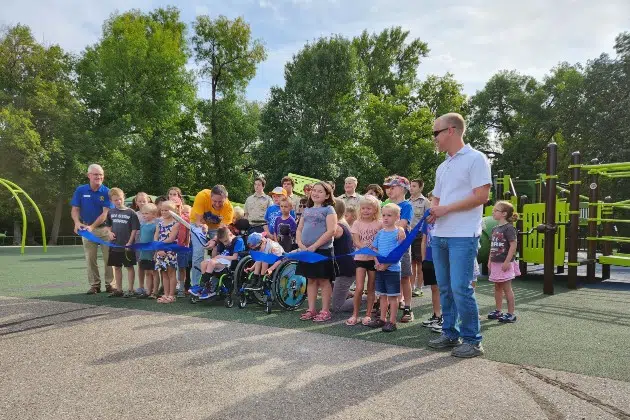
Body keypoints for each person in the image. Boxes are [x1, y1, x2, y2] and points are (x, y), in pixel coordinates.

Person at [427, 112, 491, 358]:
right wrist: (435, 210)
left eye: (436, 133)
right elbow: (438, 197)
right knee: (445, 287)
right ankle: (450, 334)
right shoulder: (443, 166)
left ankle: (473, 341)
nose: (435, 138)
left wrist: (444, 209)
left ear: (450, 131)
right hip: (441, 233)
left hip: (464, 235)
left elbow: (481, 196)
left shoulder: (476, 159)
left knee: (461, 288)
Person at [296, 182, 337, 322]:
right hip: (306, 251)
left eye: (320, 191)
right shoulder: (306, 210)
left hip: (322, 250)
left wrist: (315, 246)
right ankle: (311, 309)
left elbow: (331, 230)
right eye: (314, 190)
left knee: (324, 281)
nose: (315, 193)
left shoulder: (329, 209)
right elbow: (299, 229)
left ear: (327, 195)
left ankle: (325, 310)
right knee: (311, 280)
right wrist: (300, 244)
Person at [70, 164, 114, 295]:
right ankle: (95, 285)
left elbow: (105, 213)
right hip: (86, 228)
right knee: (90, 258)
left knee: (109, 258)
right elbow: (75, 209)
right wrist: (77, 222)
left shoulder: (107, 191)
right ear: (88, 175)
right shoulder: (80, 190)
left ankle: (110, 284)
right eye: (95, 174)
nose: (99, 177)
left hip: (105, 229)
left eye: (101, 175)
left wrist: (92, 227)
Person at [367, 203, 406, 332]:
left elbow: (399, 252)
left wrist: (386, 265)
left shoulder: (399, 233)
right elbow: (374, 249)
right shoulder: (380, 234)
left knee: (393, 297)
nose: (385, 218)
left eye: (389, 215)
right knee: (382, 296)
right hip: (380, 268)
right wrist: (377, 263)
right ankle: (382, 319)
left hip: (392, 270)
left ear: (397, 217)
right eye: (383, 215)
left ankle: (392, 322)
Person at [384, 175, 415, 323]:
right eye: (388, 187)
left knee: (404, 277)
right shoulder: (386, 204)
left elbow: (402, 224)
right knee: (389, 276)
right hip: (386, 247)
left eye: (392, 187)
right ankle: (390, 305)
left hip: (401, 248)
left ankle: (408, 307)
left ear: (403, 189)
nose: (389, 190)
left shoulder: (406, 206)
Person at [347, 195, 382, 326]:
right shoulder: (356, 223)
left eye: (369, 208)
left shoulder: (379, 223)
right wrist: (366, 249)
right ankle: (355, 314)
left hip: (374, 260)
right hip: (360, 258)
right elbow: (356, 241)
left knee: (371, 287)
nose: (366, 211)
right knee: (359, 287)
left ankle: (368, 315)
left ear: (375, 209)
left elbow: (389, 230)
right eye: (363, 208)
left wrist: (401, 230)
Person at [190, 185, 234, 287]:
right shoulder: (202, 196)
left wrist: (214, 241)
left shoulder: (229, 209)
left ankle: (214, 285)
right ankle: (196, 285)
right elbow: (198, 221)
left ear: (225, 199)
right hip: (198, 223)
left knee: (218, 251)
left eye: (220, 202)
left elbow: (222, 230)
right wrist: (203, 227)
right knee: (198, 252)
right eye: (215, 201)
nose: (217, 204)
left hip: (216, 227)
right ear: (210, 197)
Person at [487, 200, 520, 323]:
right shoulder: (495, 228)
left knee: (507, 288)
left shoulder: (509, 228)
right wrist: (489, 260)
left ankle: (511, 314)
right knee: (497, 287)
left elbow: (513, 245)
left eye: (496, 210)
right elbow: (492, 246)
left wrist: (507, 261)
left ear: (504, 214)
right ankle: (498, 310)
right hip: (496, 263)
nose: (493, 212)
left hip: (505, 263)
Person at [104, 188, 139, 298]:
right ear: (111, 200)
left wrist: (130, 242)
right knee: (117, 267)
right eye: (115, 200)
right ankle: (119, 290)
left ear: (123, 197)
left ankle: (130, 289)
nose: (118, 202)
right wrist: (109, 233)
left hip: (127, 246)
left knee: (129, 267)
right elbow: (108, 226)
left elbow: (134, 229)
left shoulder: (131, 212)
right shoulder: (111, 212)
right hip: (115, 245)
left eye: (120, 199)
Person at [194, 226, 245, 299]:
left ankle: (203, 284)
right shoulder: (222, 243)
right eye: (223, 242)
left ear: (230, 234)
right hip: (220, 261)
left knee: (211, 262)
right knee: (203, 263)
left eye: (226, 241)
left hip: (231, 263)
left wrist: (220, 257)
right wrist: (215, 248)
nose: (225, 244)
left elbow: (235, 257)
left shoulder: (238, 241)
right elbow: (214, 257)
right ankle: (207, 285)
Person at [331, 199, 356, 313]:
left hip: (345, 269)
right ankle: (348, 293)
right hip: (342, 268)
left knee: (338, 307)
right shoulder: (342, 223)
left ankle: (374, 298)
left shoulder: (337, 227)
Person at [420, 202, 443, 332]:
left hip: (442, 259)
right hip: (429, 259)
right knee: (434, 288)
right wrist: (424, 259)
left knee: (444, 288)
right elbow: (424, 240)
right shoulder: (428, 218)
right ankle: (437, 315)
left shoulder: (446, 218)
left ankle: (446, 317)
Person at [154, 200, 180, 303]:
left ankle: (171, 295)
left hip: (170, 251)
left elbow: (171, 238)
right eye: (162, 210)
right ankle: (165, 293)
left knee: (171, 273)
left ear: (173, 211)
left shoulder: (176, 224)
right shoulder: (159, 224)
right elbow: (155, 236)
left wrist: (162, 247)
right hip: (160, 251)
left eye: (166, 210)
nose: (164, 212)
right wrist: (158, 248)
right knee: (164, 273)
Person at [410, 178, 431, 297]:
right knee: (411, 262)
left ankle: (419, 287)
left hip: (419, 235)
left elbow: (428, 219)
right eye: (410, 186)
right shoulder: (407, 201)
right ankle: (411, 286)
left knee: (420, 262)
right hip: (409, 235)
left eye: (414, 186)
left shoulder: (425, 202)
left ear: (420, 188)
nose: (411, 188)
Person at [137, 203, 159, 299]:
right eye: (143, 213)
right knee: (147, 272)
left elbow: (156, 239)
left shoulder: (156, 226)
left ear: (154, 215)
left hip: (152, 252)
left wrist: (155, 252)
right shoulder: (142, 225)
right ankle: (148, 291)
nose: (144, 215)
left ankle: (155, 291)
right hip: (144, 252)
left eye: (146, 213)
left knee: (154, 272)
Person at [132, 192, 152, 296]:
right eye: (140, 201)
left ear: (148, 201)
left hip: (150, 242)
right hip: (138, 241)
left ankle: (152, 287)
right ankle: (141, 286)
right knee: (141, 264)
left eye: (144, 201)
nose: (142, 203)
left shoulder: (153, 213)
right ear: (136, 202)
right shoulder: (135, 214)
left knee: (151, 265)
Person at [176, 204, 192, 298]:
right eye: (183, 212)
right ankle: (180, 287)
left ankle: (184, 288)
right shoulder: (178, 222)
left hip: (186, 248)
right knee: (179, 268)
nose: (185, 214)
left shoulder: (190, 221)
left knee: (185, 267)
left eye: (187, 212)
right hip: (178, 247)